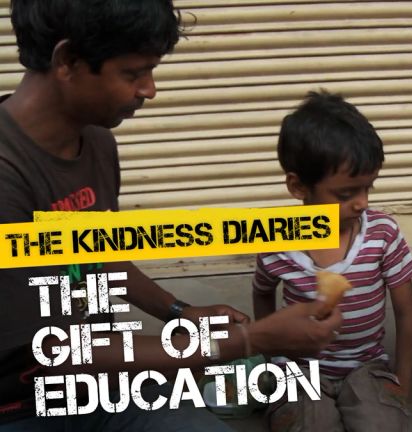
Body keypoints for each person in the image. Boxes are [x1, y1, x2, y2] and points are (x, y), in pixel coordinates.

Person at [0, 1, 342, 430]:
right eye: (133, 73)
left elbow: (94, 256)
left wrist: (178, 312)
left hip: (105, 381)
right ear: (67, 60)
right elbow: (57, 354)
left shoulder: (96, 142)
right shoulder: (7, 175)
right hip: (22, 404)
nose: (150, 90)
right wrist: (250, 339)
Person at [252, 90, 412, 432]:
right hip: (299, 369)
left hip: (367, 366)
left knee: (385, 425)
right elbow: (262, 292)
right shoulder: (275, 241)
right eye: (346, 194)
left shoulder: (382, 234)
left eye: (368, 188)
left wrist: (402, 381)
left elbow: (407, 312)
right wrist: (274, 353)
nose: (362, 203)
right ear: (298, 187)